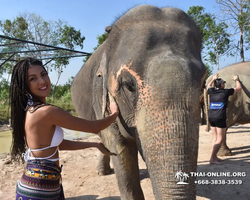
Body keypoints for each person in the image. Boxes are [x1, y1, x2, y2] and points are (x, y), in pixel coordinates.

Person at [10, 57, 119, 200]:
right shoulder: (46, 112)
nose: (42, 81)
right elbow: (94, 127)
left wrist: (95, 144)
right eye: (33, 79)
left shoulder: (30, 111)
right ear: (25, 86)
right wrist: (114, 113)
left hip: (40, 183)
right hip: (41, 189)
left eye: (43, 74)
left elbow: (57, 145)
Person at [206, 74, 241, 164]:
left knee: (215, 137)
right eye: (223, 83)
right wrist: (237, 80)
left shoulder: (212, 91)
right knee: (220, 139)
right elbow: (238, 88)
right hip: (220, 118)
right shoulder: (225, 92)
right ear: (221, 85)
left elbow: (208, 86)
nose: (224, 84)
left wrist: (213, 79)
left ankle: (214, 156)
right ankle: (212, 158)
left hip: (211, 117)